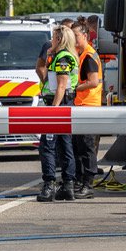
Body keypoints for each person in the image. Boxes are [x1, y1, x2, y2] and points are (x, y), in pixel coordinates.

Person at [37, 24, 79, 202]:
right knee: (65, 144)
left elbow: (61, 85)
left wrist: (53, 110)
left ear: (60, 39)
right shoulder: (62, 56)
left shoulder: (62, 57)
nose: (50, 41)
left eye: (53, 38)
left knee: (47, 145)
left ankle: (49, 185)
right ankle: (67, 186)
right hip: (64, 105)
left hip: (58, 105)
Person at [71, 20, 102, 199]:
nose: (74, 39)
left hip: (89, 107)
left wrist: (74, 88)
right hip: (82, 106)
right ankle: (81, 181)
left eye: (76, 36)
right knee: (80, 146)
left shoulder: (89, 56)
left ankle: (87, 184)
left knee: (87, 147)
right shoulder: (82, 54)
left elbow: (93, 82)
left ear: (85, 36)